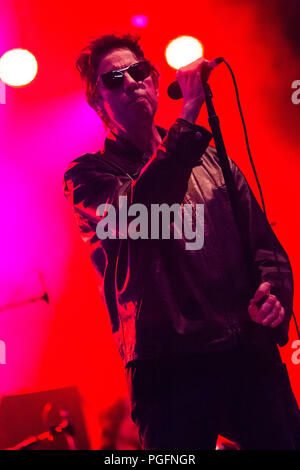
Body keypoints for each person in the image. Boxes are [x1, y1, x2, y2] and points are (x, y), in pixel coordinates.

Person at [63, 33, 300, 450]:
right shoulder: (87, 177)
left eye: (139, 72)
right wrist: (188, 117)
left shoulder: (211, 158)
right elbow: (140, 213)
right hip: (169, 365)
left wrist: (273, 292)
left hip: (246, 348)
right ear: (99, 103)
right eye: (115, 79)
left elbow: (264, 245)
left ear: (154, 83)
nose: (132, 82)